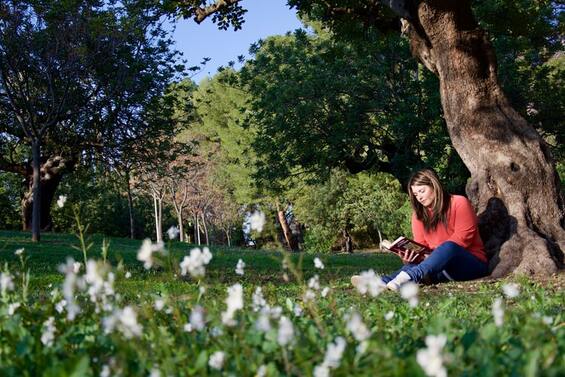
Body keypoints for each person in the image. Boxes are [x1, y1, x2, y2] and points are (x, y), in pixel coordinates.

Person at [353, 168, 489, 291]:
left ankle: (409, 277)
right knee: (416, 262)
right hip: (437, 268)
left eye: (422, 191)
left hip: (470, 265)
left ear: (434, 186)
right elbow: (421, 246)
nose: (419, 197)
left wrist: (432, 256)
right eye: (416, 194)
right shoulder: (418, 216)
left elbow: (463, 238)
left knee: (449, 247)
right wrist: (409, 257)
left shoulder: (459, 202)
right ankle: (382, 282)